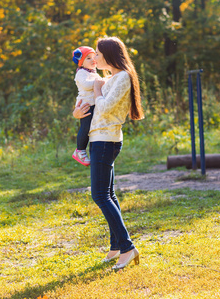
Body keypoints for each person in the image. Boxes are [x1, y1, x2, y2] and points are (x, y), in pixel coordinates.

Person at [73, 36, 144, 270]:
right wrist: (77, 112)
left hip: (106, 141)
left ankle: (127, 247)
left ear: (109, 55)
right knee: (108, 195)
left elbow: (105, 107)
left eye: (99, 53)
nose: (96, 57)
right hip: (100, 139)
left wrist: (97, 89)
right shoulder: (111, 77)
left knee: (100, 195)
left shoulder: (122, 77)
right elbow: (91, 107)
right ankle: (116, 246)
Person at [71, 46, 101, 167]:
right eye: (88, 58)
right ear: (81, 62)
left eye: (94, 57)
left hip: (94, 104)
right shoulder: (81, 73)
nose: (93, 60)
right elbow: (86, 85)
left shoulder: (94, 73)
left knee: (92, 127)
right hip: (85, 105)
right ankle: (79, 150)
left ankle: (87, 149)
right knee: (85, 127)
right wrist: (99, 82)